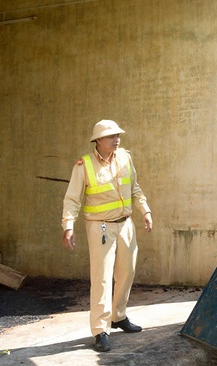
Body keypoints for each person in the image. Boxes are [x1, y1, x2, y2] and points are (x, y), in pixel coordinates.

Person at [62, 119, 153, 352]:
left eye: (118, 135)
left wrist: (145, 211)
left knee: (127, 271)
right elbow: (72, 199)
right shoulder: (84, 165)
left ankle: (118, 316)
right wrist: (68, 226)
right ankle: (100, 329)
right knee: (102, 278)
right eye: (111, 136)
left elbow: (135, 188)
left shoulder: (125, 157)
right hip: (100, 227)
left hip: (125, 225)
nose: (117, 139)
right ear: (98, 140)